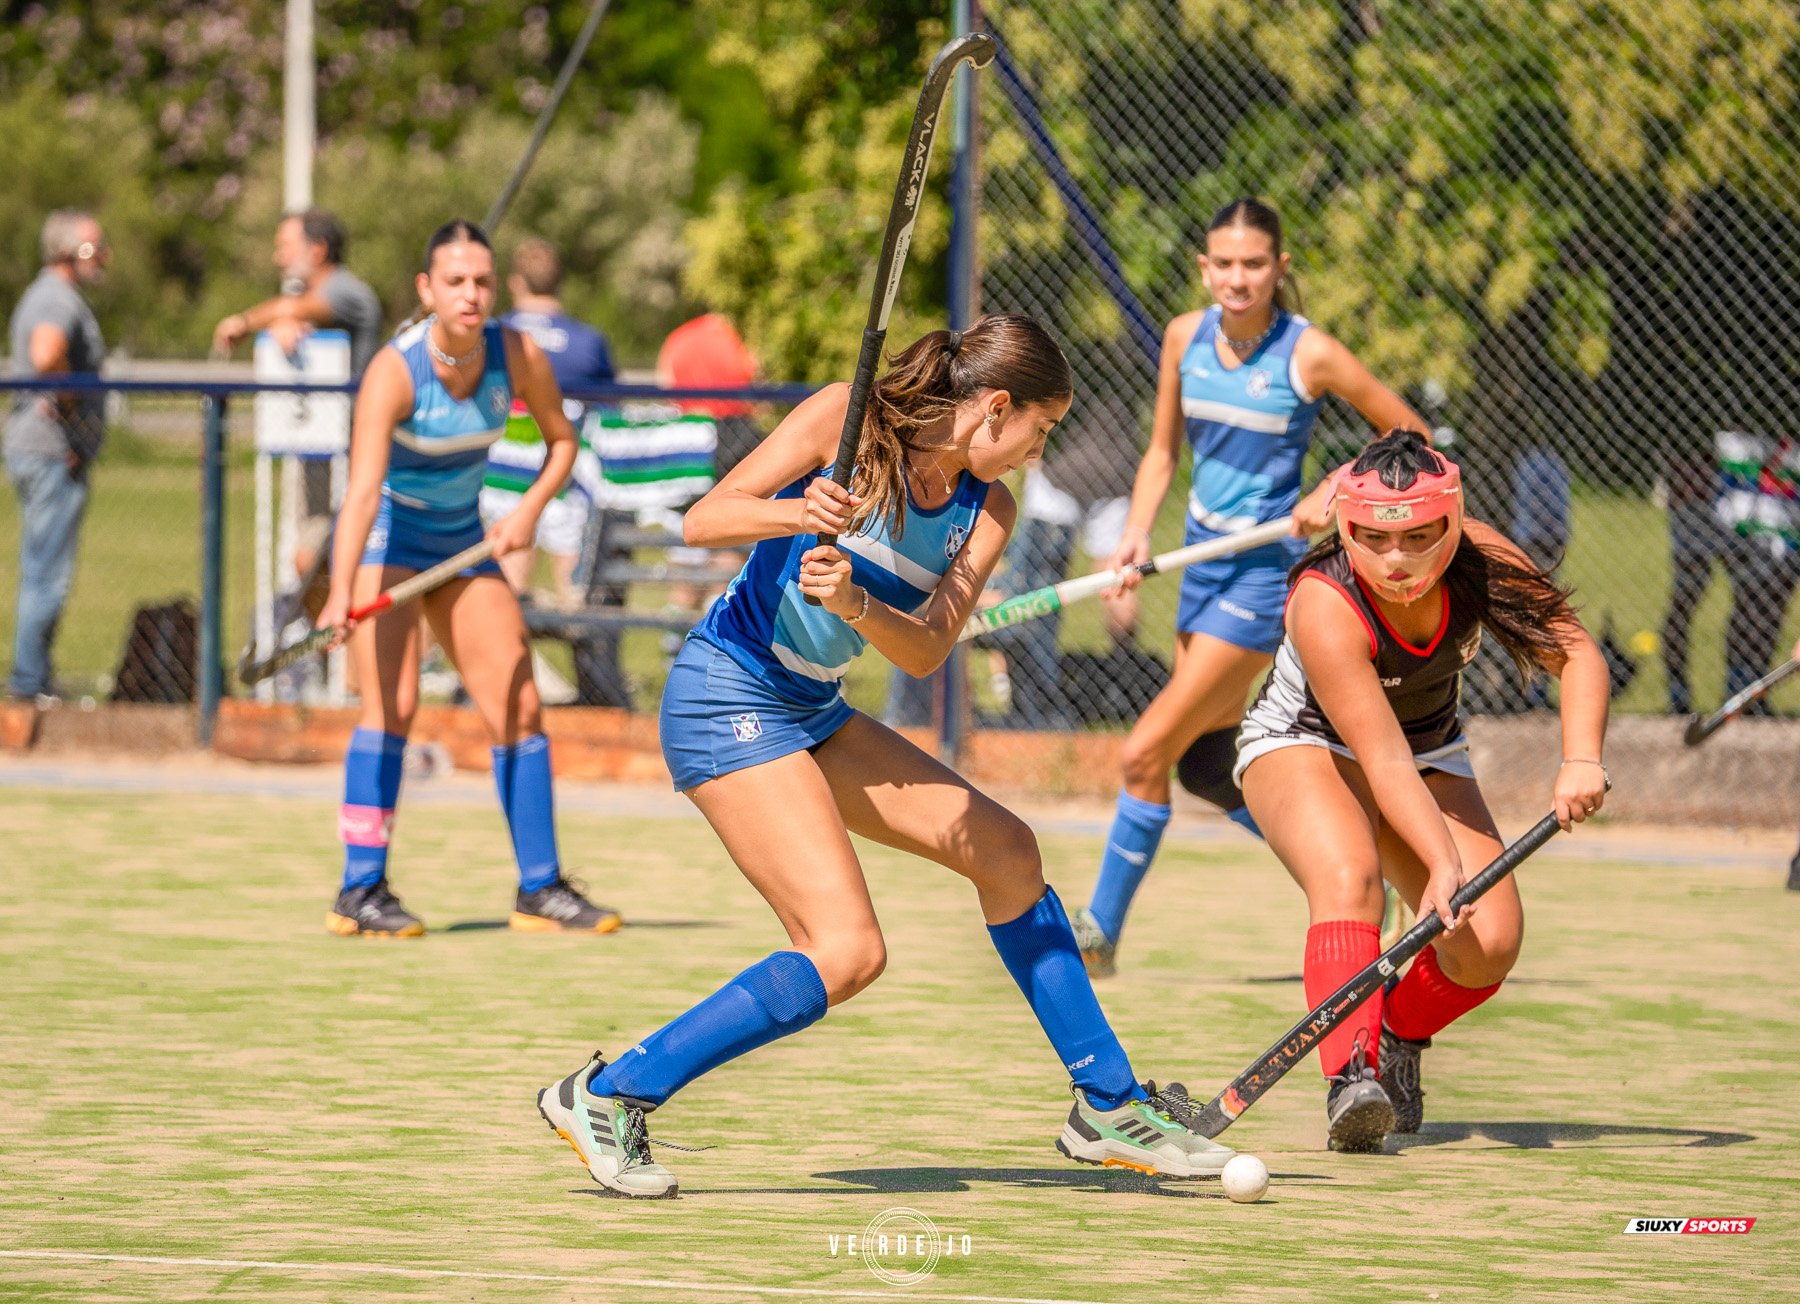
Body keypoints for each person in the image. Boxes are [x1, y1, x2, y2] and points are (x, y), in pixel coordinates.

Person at [532, 315, 1236, 1197]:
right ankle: (606, 1094)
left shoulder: (990, 509)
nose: (1035, 452)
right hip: (727, 692)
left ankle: (1109, 1106)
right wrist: (801, 510)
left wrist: (859, 600)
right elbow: (708, 519)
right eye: (1039, 430)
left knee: (1009, 852)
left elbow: (930, 647)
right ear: (994, 408)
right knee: (846, 950)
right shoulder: (844, 420)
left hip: (813, 707)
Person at [1072, 198, 1426, 977]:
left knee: (1144, 752)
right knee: (1203, 762)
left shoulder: (1310, 354)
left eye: (1254, 264)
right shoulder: (1181, 339)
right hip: (1201, 566)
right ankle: (1365, 875)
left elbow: (1407, 435)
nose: (1238, 278)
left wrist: (1334, 485)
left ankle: (1097, 934)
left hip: (1265, 581)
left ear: (1280, 269)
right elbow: (1162, 453)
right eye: (1224, 264)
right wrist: (1136, 531)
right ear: (1205, 268)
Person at [1236, 430, 1609, 1152]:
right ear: (1347, 526)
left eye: (1417, 536)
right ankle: (1352, 1075)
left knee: (1489, 944)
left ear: (1452, 520)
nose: (1395, 559)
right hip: (1305, 742)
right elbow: (1380, 760)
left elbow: (1578, 654)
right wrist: (1441, 862)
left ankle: (1399, 1031)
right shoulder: (1325, 602)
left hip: (1429, 749)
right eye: (1373, 538)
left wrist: (1581, 758)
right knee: (1352, 880)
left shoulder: (1483, 561)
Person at [314, 220, 620, 938]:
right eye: (455, 281)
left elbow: (562, 442)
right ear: (428, 290)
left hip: (462, 541)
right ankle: (360, 891)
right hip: (390, 540)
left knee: (516, 702)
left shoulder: (515, 353)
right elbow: (360, 495)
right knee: (390, 706)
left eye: (482, 280)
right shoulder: (394, 371)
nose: (471, 293)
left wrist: (527, 515)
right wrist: (337, 593)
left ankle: (539, 889)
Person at [985, 388, 1142, 728]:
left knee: (1028, 581)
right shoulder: (1134, 341)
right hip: (1114, 471)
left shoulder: (1067, 343)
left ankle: (1011, 678)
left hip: (1067, 471)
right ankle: (1128, 670)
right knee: (1112, 573)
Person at [5, 210, 110, 704]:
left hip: (43, 448)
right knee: (48, 572)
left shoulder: (53, 294)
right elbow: (47, 354)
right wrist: (71, 410)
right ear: (71, 251)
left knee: (43, 566)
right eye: (96, 248)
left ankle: (35, 677)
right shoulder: (56, 297)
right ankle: (28, 684)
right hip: (51, 451)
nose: (104, 257)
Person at [483, 238, 614, 602]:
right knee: (574, 587)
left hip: (505, 470)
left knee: (508, 581)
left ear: (515, 283)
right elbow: (609, 406)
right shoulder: (589, 342)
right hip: (569, 470)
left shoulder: (494, 336)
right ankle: (580, 644)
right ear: (559, 282)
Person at [211, 209, 384, 375]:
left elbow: (290, 308)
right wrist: (283, 324)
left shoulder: (347, 290)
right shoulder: (305, 295)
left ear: (318, 249)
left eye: (286, 246)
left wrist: (243, 323)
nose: (277, 258)